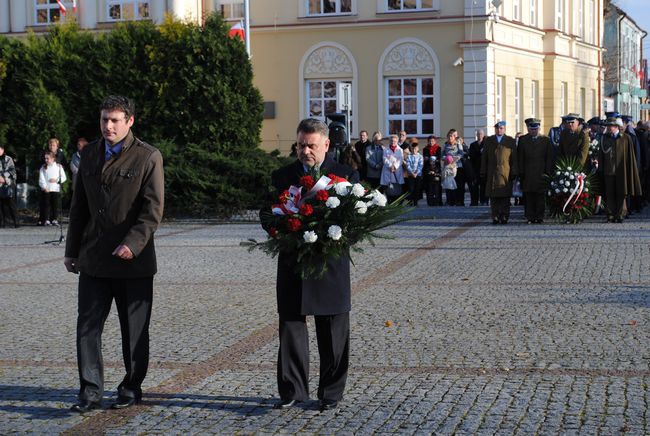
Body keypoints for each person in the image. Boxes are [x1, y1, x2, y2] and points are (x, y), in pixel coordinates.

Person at [64, 95, 165, 413]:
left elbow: (153, 210)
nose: (108, 125)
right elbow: (79, 207)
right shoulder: (89, 153)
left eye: (115, 120)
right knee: (87, 327)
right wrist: (71, 250)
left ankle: (131, 387)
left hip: (133, 262)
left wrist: (133, 243)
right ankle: (90, 392)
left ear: (130, 121)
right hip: (94, 258)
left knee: (134, 331)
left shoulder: (148, 157)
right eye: (104, 119)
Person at [265, 118, 358, 412]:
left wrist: (334, 236)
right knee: (292, 326)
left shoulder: (344, 176)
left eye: (311, 146)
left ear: (326, 144)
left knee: (332, 330)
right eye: (301, 145)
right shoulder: (282, 176)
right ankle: (293, 391)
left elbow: (356, 219)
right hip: (293, 262)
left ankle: (331, 393)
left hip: (329, 263)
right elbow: (267, 214)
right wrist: (281, 230)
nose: (305, 151)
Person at [598, 117, 642, 223]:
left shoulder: (626, 138)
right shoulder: (604, 138)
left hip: (622, 171)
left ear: (616, 126)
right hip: (608, 171)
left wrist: (629, 171)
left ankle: (620, 214)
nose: (608, 128)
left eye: (610, 126)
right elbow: (601, 156)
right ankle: (610, 214)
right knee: (609, 193)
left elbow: (630, 156)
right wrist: (601, 169)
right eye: (607, 126)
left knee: (621, 193)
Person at [517, 118, 554, 224]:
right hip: (527, 173)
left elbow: (549, 157)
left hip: (540, 172)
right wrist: (521, 172)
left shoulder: (545, 140)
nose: (533, 131)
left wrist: (547, 172)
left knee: (540, 197)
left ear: (539, 128)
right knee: (528, 197)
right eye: (531, 129)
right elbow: (520, 157)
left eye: (535, 129)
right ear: (528, 129)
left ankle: (539, 217)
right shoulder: (523, 140)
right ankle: (530, 217)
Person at [481, 121, 517, 224]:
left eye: (501, 128)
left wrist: (514, 172)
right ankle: (495, 216)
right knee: (494, 198)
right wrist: (483, 172)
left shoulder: (510, 141)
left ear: (504, 129)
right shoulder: (489, 140)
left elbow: (514, 158)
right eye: (497, 128)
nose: (499, 130)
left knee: (505, 197)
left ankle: (504, 216)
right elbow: (484, 158)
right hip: (492, 172)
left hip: (505, 173)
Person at [38, 151, 67, 226]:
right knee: (46, 205)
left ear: (53, 159)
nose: (46, 160)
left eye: (48, 158)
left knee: (55, 205)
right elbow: (41, 179)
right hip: (46, 189)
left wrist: (57, 180)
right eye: (45, 158)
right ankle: (46, 219)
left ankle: (54, 219)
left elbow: (64, 177)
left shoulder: (58, 167)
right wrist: (44, 187)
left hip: (55, 189)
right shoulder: (43, 167)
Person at [442, 129, 466, 206]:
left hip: (457, 167)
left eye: (451, 136)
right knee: (449, 185)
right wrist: (446, 158)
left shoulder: (458, 144)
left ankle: (459, 201)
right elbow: (441, 155)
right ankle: (450, 201)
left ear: (454, 137)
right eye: (448, 136)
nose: (450, 137)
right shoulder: (445, 145)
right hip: (448, 168)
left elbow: (461, 154)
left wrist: (456, 158)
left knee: (458, 185)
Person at [380, 134, 405, 203]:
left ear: (397, 141)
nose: (393, 142)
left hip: (397, 171)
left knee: (397, 187)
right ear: (389, 141)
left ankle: (397, 203)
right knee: (388, 188)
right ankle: (389, 202)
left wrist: (395, 166)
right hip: (388, 170)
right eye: (391, 141)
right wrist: (390, 166)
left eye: (394, 141)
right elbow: (384, 158)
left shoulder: (400, 150)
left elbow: (400, 159)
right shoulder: (385, 149)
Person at [0, 144, 18, 228]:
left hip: (8, 183)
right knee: (1, 204)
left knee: (11, 204)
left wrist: (3, 177)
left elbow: (12, 170)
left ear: (3, 150)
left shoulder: (8, 159)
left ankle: (15, 222)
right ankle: (2, 222)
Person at [422, 135, 442, 206]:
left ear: (435, 141)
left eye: (432, 141)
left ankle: (438, 202)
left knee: (437, 186)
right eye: (430, 141)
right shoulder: (425, 149)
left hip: (436, 169)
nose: (431, 142)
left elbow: (439, 158)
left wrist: (432, 159)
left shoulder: (438, 148)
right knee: (429, 187)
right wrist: (432, 158)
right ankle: (430, 202)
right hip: (427, 169)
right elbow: (425, 158)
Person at [468, 129, 485, 206]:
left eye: (481, 134)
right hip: (475, 168)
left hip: (484, 168)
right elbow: (471, 155)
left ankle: (483, 201)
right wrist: (479, 152)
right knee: (474, 186)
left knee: (483, 186)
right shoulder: (472, 145)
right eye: (478, 134)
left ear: (483, 135)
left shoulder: (486, 144)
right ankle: (474, 201)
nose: (479, 135)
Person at [404, 141, 423, 206]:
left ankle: (416, 202)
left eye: (415, 149)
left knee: (417, 189)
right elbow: (408, 165)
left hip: (418, 175)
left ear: (418, 149)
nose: (414, 150)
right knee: (411, 189)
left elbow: (420, 166)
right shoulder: (409, 156)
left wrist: (416, 173)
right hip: (410, 175)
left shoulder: (420, 156)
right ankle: (410, 201)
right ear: (411, 149)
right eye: (413, 149)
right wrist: (412, 173)